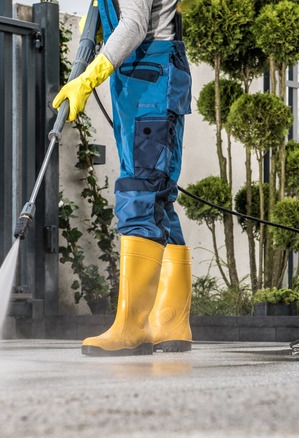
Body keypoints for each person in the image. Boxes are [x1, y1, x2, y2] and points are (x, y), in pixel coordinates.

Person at [53, 0, 193, 357]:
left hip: (148, 79)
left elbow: (133, 23)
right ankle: (171, 323)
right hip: (147, 78)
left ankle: (131, 327)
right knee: (159, 198)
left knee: (139, 192)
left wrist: (89, 77)